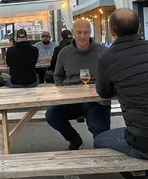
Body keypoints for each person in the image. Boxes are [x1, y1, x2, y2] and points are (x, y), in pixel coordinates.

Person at [45, 19, 110, 150]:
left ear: (90, 33)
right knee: (52, 115)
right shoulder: (64, 52)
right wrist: (63, 92)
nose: (82, 36)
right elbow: (58, 75)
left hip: (96, 100)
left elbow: (109, 74)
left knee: (99, 129)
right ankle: (75, 140)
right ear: (73, 33)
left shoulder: (102, 51)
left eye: (86, 32)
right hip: (71, 99)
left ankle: (103, 155)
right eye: (79, 32)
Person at [95, 8, 148, 160]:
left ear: (112, 32)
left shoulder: (106, 58)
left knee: (99, 140)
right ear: (139, 26)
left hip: (142, 142)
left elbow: (104, 93)